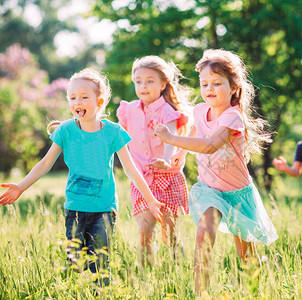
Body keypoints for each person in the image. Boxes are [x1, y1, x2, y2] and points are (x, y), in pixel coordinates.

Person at [0, 68, 162, 286]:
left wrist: (150, 200)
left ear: (100, 101)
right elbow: (45, 164)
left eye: (84, 97)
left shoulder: (113, 132)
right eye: (72, 97)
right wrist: (20, 187)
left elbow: (131, 169)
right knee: (75, 262)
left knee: (100, 265)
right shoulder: (65, 130)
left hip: (104, 209)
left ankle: (101, 292)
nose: (78, 101)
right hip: (75, 208)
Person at [153, 49, 278, 296]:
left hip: (238, 194)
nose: (209, 89)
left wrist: (172, 139)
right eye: (205, 84)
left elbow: (210, 144)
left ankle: (254, 292)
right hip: (210, 189)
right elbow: (194, 131)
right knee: (204, 232)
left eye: (217, 83)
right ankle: (202, 293)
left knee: (246, 255)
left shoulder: (233, 117)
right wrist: (183, 152)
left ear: (233, 88)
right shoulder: (200, 110)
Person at [116, 56, 191, 265]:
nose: (143, 86)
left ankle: (179, 271)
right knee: (144, 234)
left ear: (163, 84)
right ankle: (144, 278)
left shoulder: (168, 111)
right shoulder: (128, 110)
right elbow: (118, 135)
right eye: (138, 81)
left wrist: (165, 161)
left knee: (170, 235)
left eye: (150, 81)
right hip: (141, 180)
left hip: (166, 179)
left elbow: (171, 140)